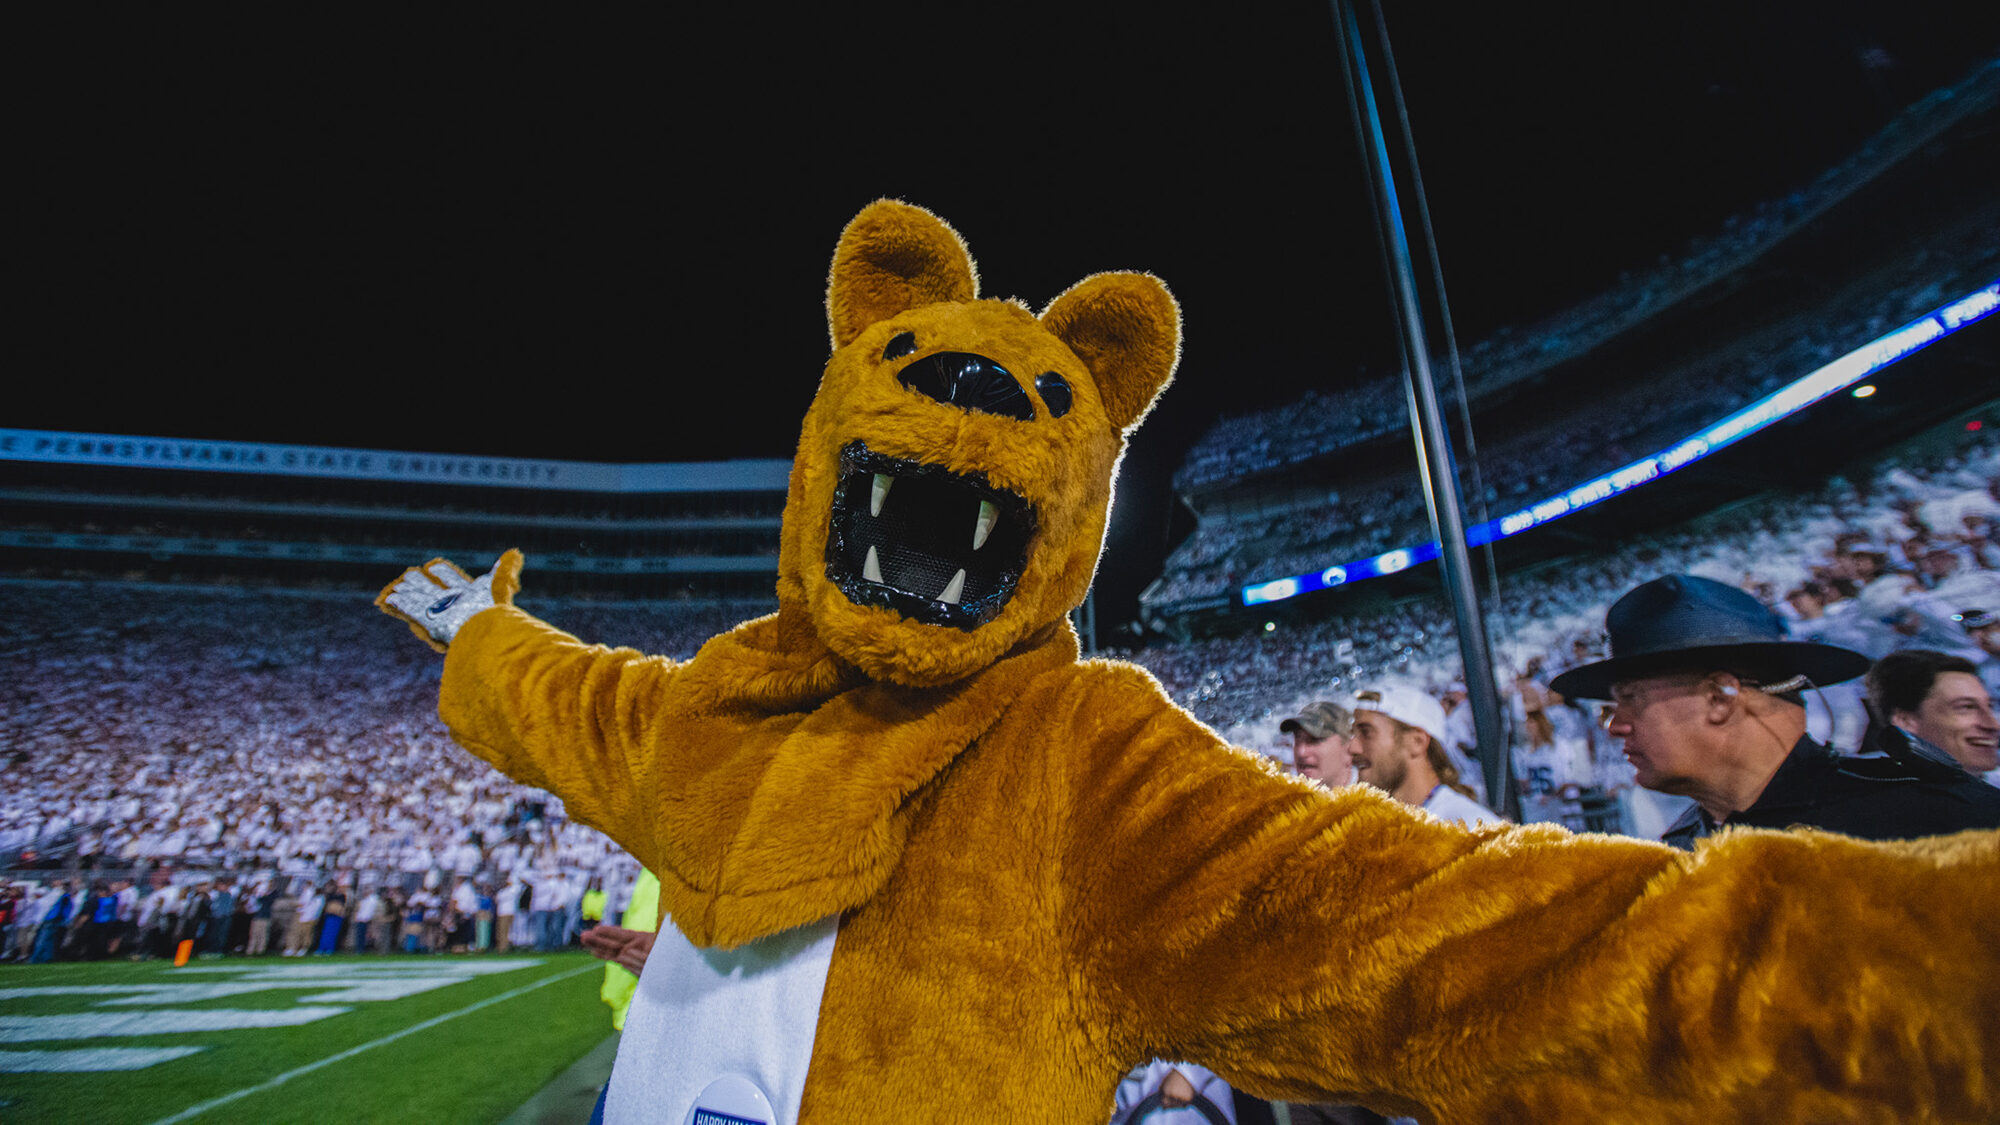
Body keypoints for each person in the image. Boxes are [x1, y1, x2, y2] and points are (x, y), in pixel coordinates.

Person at [1549, 574, 2000, 850]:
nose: (1616, 726)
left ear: (1721, 697)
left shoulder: (1934, 819)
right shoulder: (1682, 849)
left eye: (1632, 699)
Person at [1347, 684, 1501, 828]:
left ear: (1417, 742)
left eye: (1366, 732)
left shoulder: (1472, 830)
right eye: (1353, 734)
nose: (1352, 747)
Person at [1865, 649, 1999, 778]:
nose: (1994, 725)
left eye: (1990, 706)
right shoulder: (1863, 792)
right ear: (1905, 720)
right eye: (1966, 707)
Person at [1278, 702, 1355, 788]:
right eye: (1297, 738)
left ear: (1349, 749)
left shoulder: (1369, 798)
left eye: (1315, 740)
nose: (1301, 752)